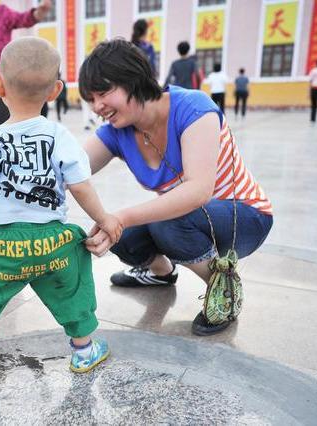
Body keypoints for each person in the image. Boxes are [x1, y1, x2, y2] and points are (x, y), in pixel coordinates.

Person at [79, 39, 273, 336]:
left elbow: (198, 191)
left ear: (134, 79)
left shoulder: (193, 107)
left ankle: (224, 288)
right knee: (118, 233)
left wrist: (123, 215)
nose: (97, 106)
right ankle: (161, 274)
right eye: (90, 98)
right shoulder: (118, 132)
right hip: (191, 220)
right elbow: (70, 169)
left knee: (160, 222)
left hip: (245, 217)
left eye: (104, 92)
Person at [0, 37, 121, 378]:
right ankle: (84, 349)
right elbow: (80, 186)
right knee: (73, 289)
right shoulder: (60, 135)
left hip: (3, 245)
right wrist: (104, 219)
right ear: (55, 90)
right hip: (53, 243)